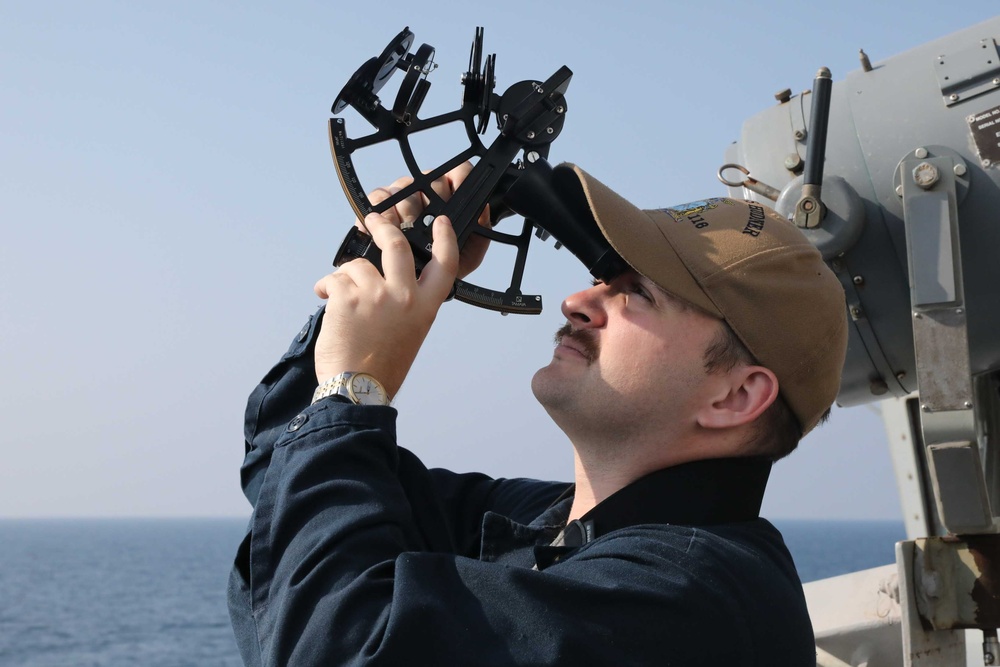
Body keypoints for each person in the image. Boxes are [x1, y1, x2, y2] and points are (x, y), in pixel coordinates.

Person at [227, 162, 847, 666]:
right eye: (604, 276)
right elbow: (286, 484)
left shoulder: (687, 602)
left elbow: (334, 646)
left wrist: (355, 388)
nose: (577, 300)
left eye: (638, 292)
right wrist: (392, 267)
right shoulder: (552, 523)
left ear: (735, 397)